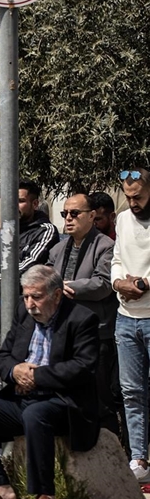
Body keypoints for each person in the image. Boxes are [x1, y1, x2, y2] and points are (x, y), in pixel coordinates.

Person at [0, 266, 99, 499]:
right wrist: (16, 372)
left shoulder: (81, 319)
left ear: (57, 295)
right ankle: (1, 488)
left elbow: (83, 367)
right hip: (23, 397)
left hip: (63, 401)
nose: (29, 303)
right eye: (25, 296)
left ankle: (45, 494)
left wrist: (36, 376)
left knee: (36, 414)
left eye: (36, 297)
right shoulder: (24, 315)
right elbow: (3, 356)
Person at [47, 193, 119, 436]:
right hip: (63, 333)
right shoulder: (57, 249)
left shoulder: (106, 246)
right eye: (65, 213)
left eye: (74, 213)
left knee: (100, 396)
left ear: (91, 216)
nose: (68, 218)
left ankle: (111, 450)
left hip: (95, 333)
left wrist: (67, 287)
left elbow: (102, 284)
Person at [112, 168, 150, 482]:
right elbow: (116, 258)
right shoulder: (123, 219)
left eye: (137, 196)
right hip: (126, 317)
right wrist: (117, 282)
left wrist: (143, 283)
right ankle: (139, 458)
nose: (132, 202)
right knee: (131, 393)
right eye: (128, 196)